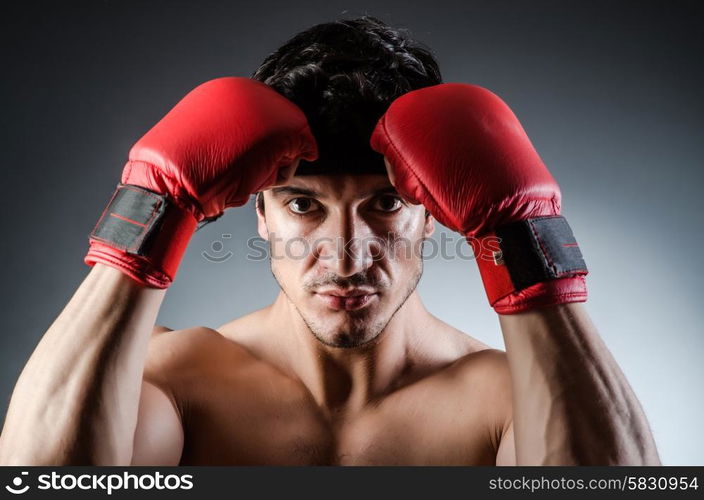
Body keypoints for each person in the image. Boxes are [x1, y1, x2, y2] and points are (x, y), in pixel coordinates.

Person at [0, 16, 659, 465]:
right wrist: (152, 210)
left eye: (386, 204)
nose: (347, 255)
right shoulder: (170, 382)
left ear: (436, 214)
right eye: (304, 205)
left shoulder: (511, 399)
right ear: (259, 213)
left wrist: (524, 237)